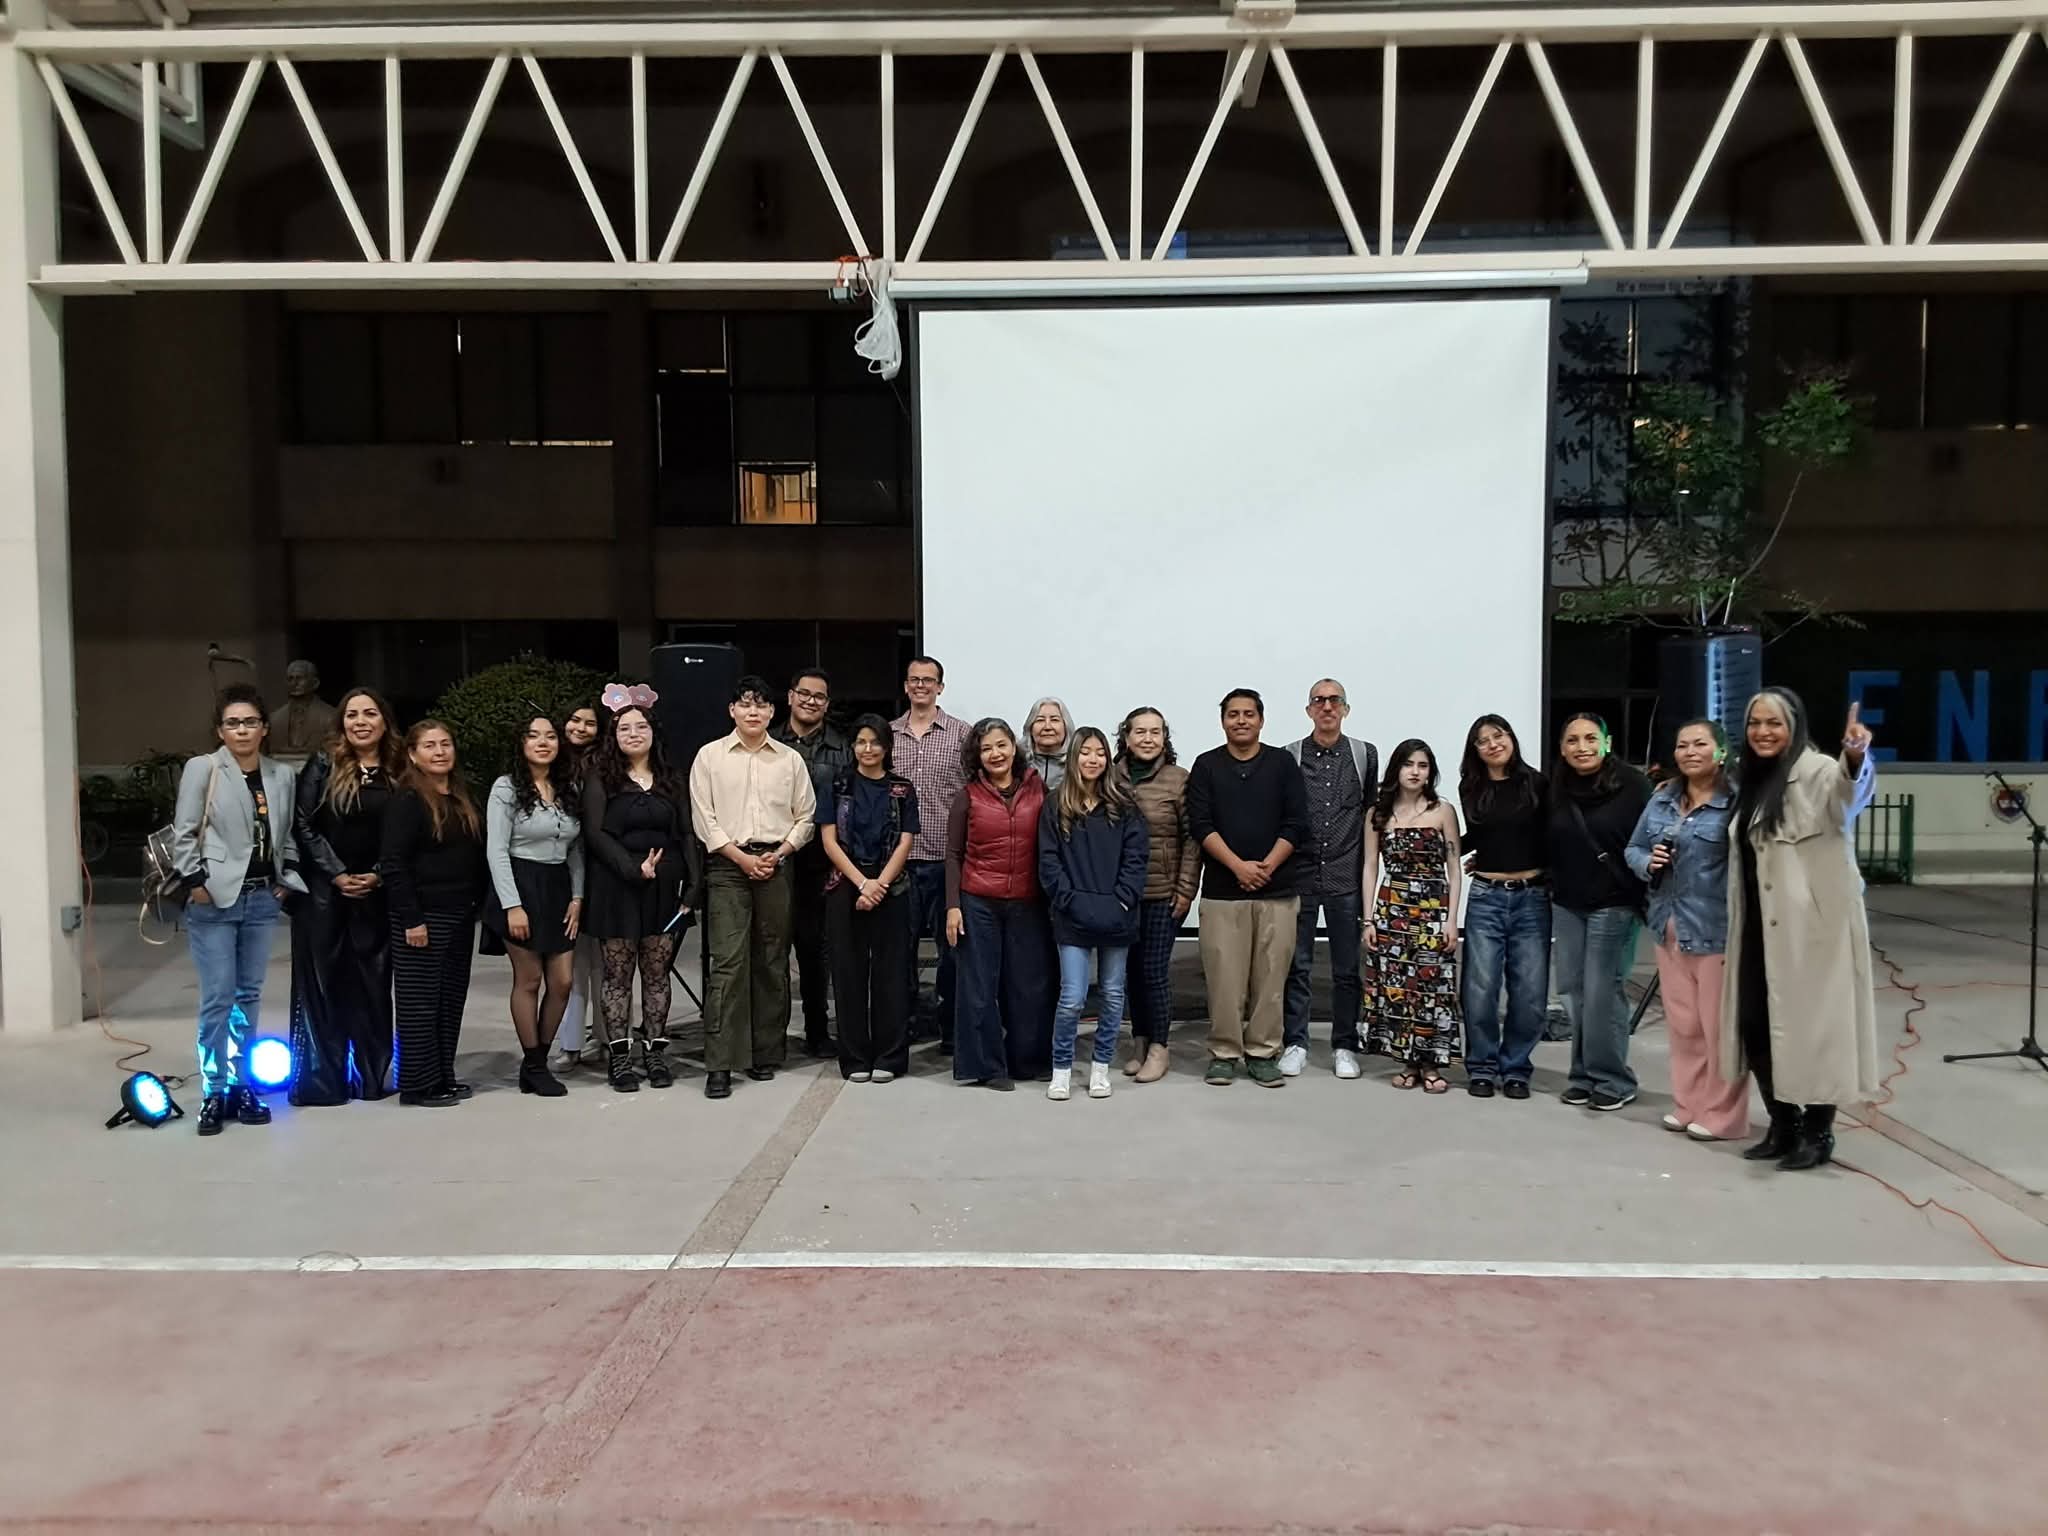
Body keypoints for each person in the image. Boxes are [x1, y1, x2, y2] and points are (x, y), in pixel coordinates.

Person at [1724, 690, 1879, 1171]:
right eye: (1755, 723)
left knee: (1814, 1030)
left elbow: (1849, 793)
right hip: (1757, 926)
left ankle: (1818, 1132)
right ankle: (1782, 1123)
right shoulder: (1749, 779)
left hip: (1811, 931)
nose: (1763, 732)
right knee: (1758, 1025)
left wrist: (1855, 756)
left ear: (1795, 727)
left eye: (1775, 723)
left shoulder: (1816, 771)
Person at [172, 684, 304, 1136]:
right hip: (214, 900)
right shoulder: (204, 769)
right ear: (220, 730)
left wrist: (285, 881)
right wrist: (196, 883)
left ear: (265, 728)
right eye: (233, 722)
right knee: (218, 998)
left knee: (248, 997)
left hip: (262, 898)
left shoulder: (281, 775)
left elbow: (287, 834)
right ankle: (213, 1091)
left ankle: (242, 1084)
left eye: (250, 721)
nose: (242, 729)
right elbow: (184, 832)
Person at [691, 674, 818, 1100]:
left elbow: (806, 816)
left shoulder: (789, 760)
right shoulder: (710, 757)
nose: (753, 712)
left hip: (777, 863)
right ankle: (723, 1062)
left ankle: (766, 1052)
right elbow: (703, 817)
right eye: (745, 704)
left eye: (761, 705)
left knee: (772, 959)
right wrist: (741, 857)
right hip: (728, 865)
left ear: (771, 711)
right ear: (732, 710)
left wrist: (779, 853)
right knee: (727, 962)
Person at [1625, 718, 1744, 1141]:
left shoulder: (1736, 802)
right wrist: (1646, 863)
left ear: (1721, 751)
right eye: (1682, 745)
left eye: (1700, 744)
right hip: (1667, 926)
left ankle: (1724, 1114)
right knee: (1685, 1025)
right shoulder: (1662, 799)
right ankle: (1688, 1103)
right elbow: (1633, 847)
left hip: (1717, 928)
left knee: (1719, 1029)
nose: (1690, 751)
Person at [1188, 689, 1311, 1088]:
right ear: (1222, 720)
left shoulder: (1282, 765)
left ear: (1262, 720)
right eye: (1233, 714)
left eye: (1249, 714)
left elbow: (1296, 823)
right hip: (1224, 892)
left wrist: (1267, 866)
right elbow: (1201, 824)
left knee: (1271, 980)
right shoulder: (1206, 766)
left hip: (1277, 891)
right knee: (1224, 980)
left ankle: (1262, 1053)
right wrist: (1239, 867)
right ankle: (1225, 1052)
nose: (1241, 720)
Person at [582, 689, 702, 1094]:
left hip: (665, 889)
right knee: (618, 976)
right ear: (613, 735)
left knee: (657, 974)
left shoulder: (672, 779)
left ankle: (654, 1051)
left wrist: (694, 885)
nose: (633, 733)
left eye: (641, 726)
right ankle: (620, 1057)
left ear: (654, 732)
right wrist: (633, 869)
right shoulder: (601, 777)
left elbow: (686, 833)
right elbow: (595, 833)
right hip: (616, 886)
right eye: (624, 728)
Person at [289, 686, 402, 1107]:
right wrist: (337, 874)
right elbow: (303, 824)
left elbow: (406, 830)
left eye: (369, 713)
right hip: (325, 894)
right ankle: (325, 1082)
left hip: (378, 892)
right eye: (352, 714)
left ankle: (374, 1077)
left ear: (384, 721)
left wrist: (376, 875)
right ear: (342, 724)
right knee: (326, 986)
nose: (360, 721)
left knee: (373, 987)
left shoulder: (399, 767)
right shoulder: (323, 763)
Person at [380, 720, 487, 1108]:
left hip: (459, 915)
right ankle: (417, 1084)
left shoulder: (461, 795)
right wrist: (412, 919)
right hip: (422, 917)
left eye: (445, 744)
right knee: (418, 1004)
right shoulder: (407, 800)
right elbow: (394, 864)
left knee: (449, 999)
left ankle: (443, 1074)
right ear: (412, 754)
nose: (440, 751)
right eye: (429, 745)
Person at [1548, 712, 1653, 1111]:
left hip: (1615, 903)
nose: (1582, 747)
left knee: (1602, 992)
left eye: (1591, 738)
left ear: (1606, 742)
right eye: (1573, 740)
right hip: (1568, 902)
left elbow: (1649, 838)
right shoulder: (1558, 785)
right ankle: (1583, 1075)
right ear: (1562, 748)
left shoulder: (1632, 785)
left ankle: (1613, 1078)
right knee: (1574, 993)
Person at [1038, 726, 1148, 1101]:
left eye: (1100, 752)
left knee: (1114, 995)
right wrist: (1070, 902)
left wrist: (1120, 901)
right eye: (1085, 752)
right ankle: (1062, 1068)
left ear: (1108, 758)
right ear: (1074, 757)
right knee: (1072, 997)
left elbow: (1137, 861)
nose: (1093, 759)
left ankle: (1101, 1067)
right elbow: (1049, 864)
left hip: (1118, 916)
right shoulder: (1055, 804)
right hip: (1071, 918)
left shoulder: (1125, 805)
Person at [945, 717, 1054, 1090]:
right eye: (986, 748)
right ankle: (987, 1067)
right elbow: (954, 854)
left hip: (1029, 902)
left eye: (1001, 745)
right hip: (978, 902)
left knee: (1029, 986)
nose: (995, 754)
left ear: (1014, 747)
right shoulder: (969, 796)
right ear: (977, 755)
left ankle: (1027, 1061)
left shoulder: (1038, 790)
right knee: (979, 988)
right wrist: (953, 905)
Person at [482, 715, 584, 1098]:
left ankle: (534, 1061)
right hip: (520, 885)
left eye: (550, 736)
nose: (543, 742)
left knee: (562, 982)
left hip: (558, 888)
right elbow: (496, 849)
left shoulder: (567, 787)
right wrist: (513, 905)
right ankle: (536, 1064)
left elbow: (577, 850)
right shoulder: (506, 788)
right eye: (533, 736)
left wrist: (578, 897)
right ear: (520, 743)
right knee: (529, 980)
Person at [1281, 679, 1379, 1079]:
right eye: (1318, 701)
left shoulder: (1364, 755)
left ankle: (1344, 1045)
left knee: (1345, 969)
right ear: (1308, 710)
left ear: (1345, 708)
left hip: (1345, 877)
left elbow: (1371, 814)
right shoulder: (1289, 756)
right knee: (1297, 966)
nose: (1326, 707)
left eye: (1334, 700)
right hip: (1300, 876)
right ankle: (1295, 1043)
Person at [817, 715, 919, 1084]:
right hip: (846, 885)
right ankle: (855, 1057)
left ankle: (890, 1057)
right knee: (848, 973)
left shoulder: (902, 789)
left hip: (892, 887)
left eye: (875, 742)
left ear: (887, 747)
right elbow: (829, 840)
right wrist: (862, 883)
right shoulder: (838, 784)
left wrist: (879, 885)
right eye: (861, 742)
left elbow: (906, 840)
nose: (868, 749)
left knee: (891, 975)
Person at [1457, 715, 1551, 1100]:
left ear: (1511, 738)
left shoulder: (1538, 783)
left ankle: (1515, 1068)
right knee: (1479, 989)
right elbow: (1478, 835)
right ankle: (1481, 1065)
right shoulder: (1472, 787)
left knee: (1529, 991)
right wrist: (1435, 849)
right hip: (1485, 897)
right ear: (1475, 750)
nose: (1493, 744)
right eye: (1483, 740)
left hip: (1532, 896)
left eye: (1499, 736)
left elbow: (1548, 834)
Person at [1361, 740, 1464, 1092]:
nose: (1415, 771)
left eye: (1422, 765)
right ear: (1397, 769)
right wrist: (1369, 919)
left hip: (1433, 911)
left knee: (1432, 988)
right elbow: (1370, 866)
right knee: (1400, 989)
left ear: (1430, 771)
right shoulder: (1378, 813)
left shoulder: (1443, 811)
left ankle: (1432, 1065)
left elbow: (1454, 867)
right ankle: (1407, 1061)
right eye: (1408, 764)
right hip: (1393, 913)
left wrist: (1452, 920)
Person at [892, 656, 971, 1051]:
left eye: (929, 680)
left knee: (952, 952)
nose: (921, 686)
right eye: (914, 680)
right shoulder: (888, 736)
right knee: (899, 952)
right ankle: (903, 1026)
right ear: (906, 686)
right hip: (901, 862)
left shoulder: (962, 735)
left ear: (941, 686)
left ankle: (952, 1030)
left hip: (947, 861)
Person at [1115, 707, 1197, 1084]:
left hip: (1164, 894)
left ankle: (1161, 1047)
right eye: (1140, 732)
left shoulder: (1179, 779)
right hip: (1120, 895)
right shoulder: (1110, 775)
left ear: (1165, 738)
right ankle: (1140, 1041)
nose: (1148, 739)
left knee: (1153, 971)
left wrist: (1185, 890)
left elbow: (1192, 839)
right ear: (1126, 737)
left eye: (1155, 732)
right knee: (1129, 972)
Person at [774, 666, 852, 1058]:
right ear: (790, 696)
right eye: (803, 693)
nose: (810, 701)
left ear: (827, 704)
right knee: (769, 950)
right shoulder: (766, 741)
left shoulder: (842, 748)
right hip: (769, 860)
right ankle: (769, 1035)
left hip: (818, 862)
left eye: (819, 696)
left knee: (814, 951)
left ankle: (817, 1031)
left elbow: (847, 809)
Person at [554, 700, 605, 1071]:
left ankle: (607, 1039)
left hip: (603, 870)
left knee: (606, 965)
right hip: (562, 874)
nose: (581, 728)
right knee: (570, 968)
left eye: (590, 723)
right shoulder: (550, 765)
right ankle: (570, 1044)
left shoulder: (606, 766)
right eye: (575, 720)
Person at [1024, 697, 1073, 792]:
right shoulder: (1016, 765)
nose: (1047, 727)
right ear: (1030, 727)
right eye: (1040, 720)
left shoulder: (1077, 766)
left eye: (1054, 720)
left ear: (1066, 726)